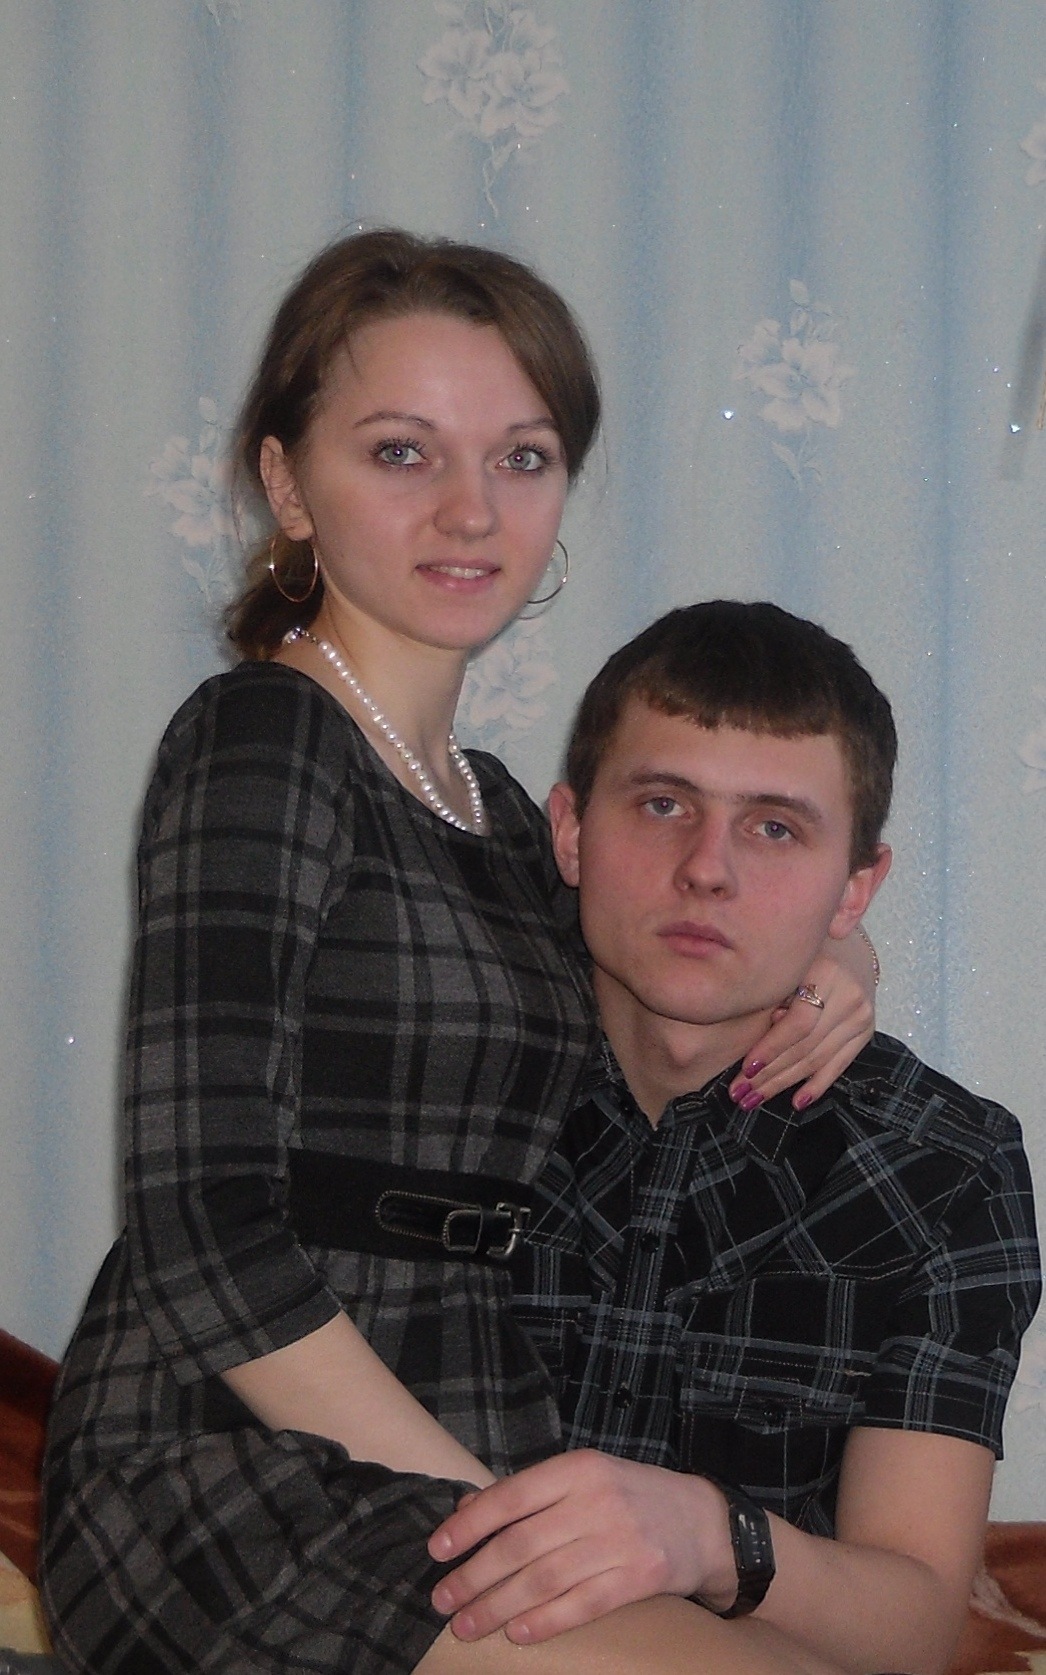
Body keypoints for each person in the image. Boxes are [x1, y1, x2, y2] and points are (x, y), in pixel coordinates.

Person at [40, 235, 876, 1675]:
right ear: (287, 483)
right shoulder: (263, 740)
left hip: (465, 1410)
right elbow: (201, 1223)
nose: (471, 509)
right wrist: (479, 1511)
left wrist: (843, 954)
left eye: (522, 457)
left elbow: (667, 966)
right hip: (233, 1454)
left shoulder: (488, 809)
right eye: (401, 452)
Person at [427, 601, 1042, 1675]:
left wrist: (713, 1536)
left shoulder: (942, 1168)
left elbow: (912, 1621)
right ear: (569, 830)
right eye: (662, 803)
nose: (706, 868)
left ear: (856, 887)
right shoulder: (434, 1081)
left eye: (774, 828)